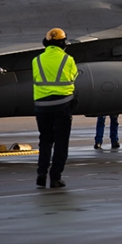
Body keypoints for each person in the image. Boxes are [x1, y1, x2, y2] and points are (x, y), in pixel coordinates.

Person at [32, 27, 78, 188]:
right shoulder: (68, 60)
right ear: (63, 43)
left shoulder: (36, 60)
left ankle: (41, 173)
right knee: (61, 142)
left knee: (45, 140)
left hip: (42, 107)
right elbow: (73, 77)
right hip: (62, 105)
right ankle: (55, 177)